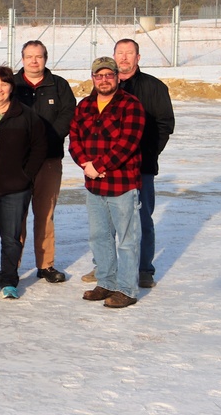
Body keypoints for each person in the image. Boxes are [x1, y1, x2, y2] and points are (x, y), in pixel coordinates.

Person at [69, 57, 145, 309]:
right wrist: (85, 165)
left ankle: (127, 288)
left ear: (117, 77)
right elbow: (75, 140)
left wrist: (98, 166)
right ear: (92, 78)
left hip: (122, 184)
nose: (104, 80)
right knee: (99, 236)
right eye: (98, 76)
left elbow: (127, 144)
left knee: (127, 239)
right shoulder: (85, 105)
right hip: (94, 185)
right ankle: (106, 281)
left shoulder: (130, 105)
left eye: (108, 75)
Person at [0, 66, 47, 300]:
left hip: (16, 188)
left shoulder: (25, 115)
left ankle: (9, 280)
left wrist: (27, 174)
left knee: (11, 237)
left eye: (4, 84)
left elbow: (39, 146)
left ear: (11, 87)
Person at [112, 38, 175, 289]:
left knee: (142, 218)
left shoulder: (154, 87)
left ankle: (144, 269)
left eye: (129, 53)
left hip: (141, 167)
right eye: (120, 53)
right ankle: (106, 267)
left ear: (138, 57)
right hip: (111, 167)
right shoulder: (106, 85)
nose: (124, 58)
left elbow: (164, 124)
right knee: (110, 220)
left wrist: (148, 155)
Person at [14, 41, 76, 284]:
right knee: (15, 215)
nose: (34, 61)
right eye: (29, 57)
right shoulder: (12, 84)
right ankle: (11, 265)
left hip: (49, 160)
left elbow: (69, 113)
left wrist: (47, 139)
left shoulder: (58, 85)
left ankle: (46, 265)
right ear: (22, 59)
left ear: (46, 59)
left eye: (38, 57)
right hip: (18, 162)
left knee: (45, 213)